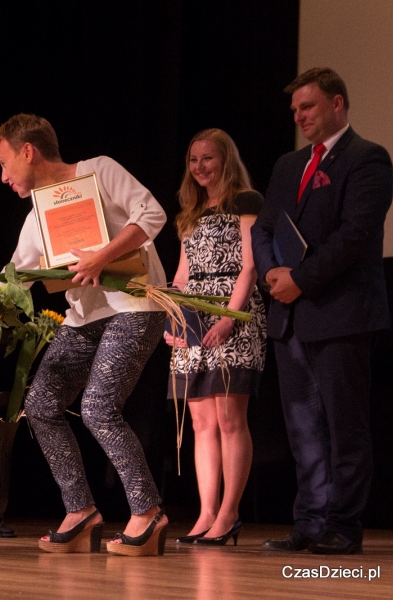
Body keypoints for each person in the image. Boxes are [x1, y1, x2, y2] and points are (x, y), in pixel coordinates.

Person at [0, 113, 169, 555]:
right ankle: (82, 510)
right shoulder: (38, 213)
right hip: (85, 316)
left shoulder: (99, 169)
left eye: (5, 163)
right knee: (41, 405)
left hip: (133, 305)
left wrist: (101, 256)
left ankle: (149, 513)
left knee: (98, 407)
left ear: (27, 151)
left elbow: (153, 213)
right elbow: (16, 275)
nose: (3, 176)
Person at [251, 68, 393, 555]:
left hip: (340, 314)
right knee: (302, 428)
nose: (299, 117)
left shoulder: (368, 158)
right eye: (295, 111)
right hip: (290, 318)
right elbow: (263, 229)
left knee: (343, 426)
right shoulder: (289, 164)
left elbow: (354, 236)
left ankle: (344, 526)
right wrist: (272, 275)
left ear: (337, 103)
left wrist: (300, 280)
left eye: (307, 107)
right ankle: (309, 522)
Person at [165, 129, 266, 546]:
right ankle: (206, 514)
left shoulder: (246, 202)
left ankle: (230, 513)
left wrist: (230, 318)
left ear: (226, 159)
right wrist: (172, 319)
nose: (200, 167)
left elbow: (250, 266)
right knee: (201, 423)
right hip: (192, 316)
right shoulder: (189, 212)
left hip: (233, 312)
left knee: (228, 419)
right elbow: (181, 275)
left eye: (208, 158)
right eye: (193, 160)